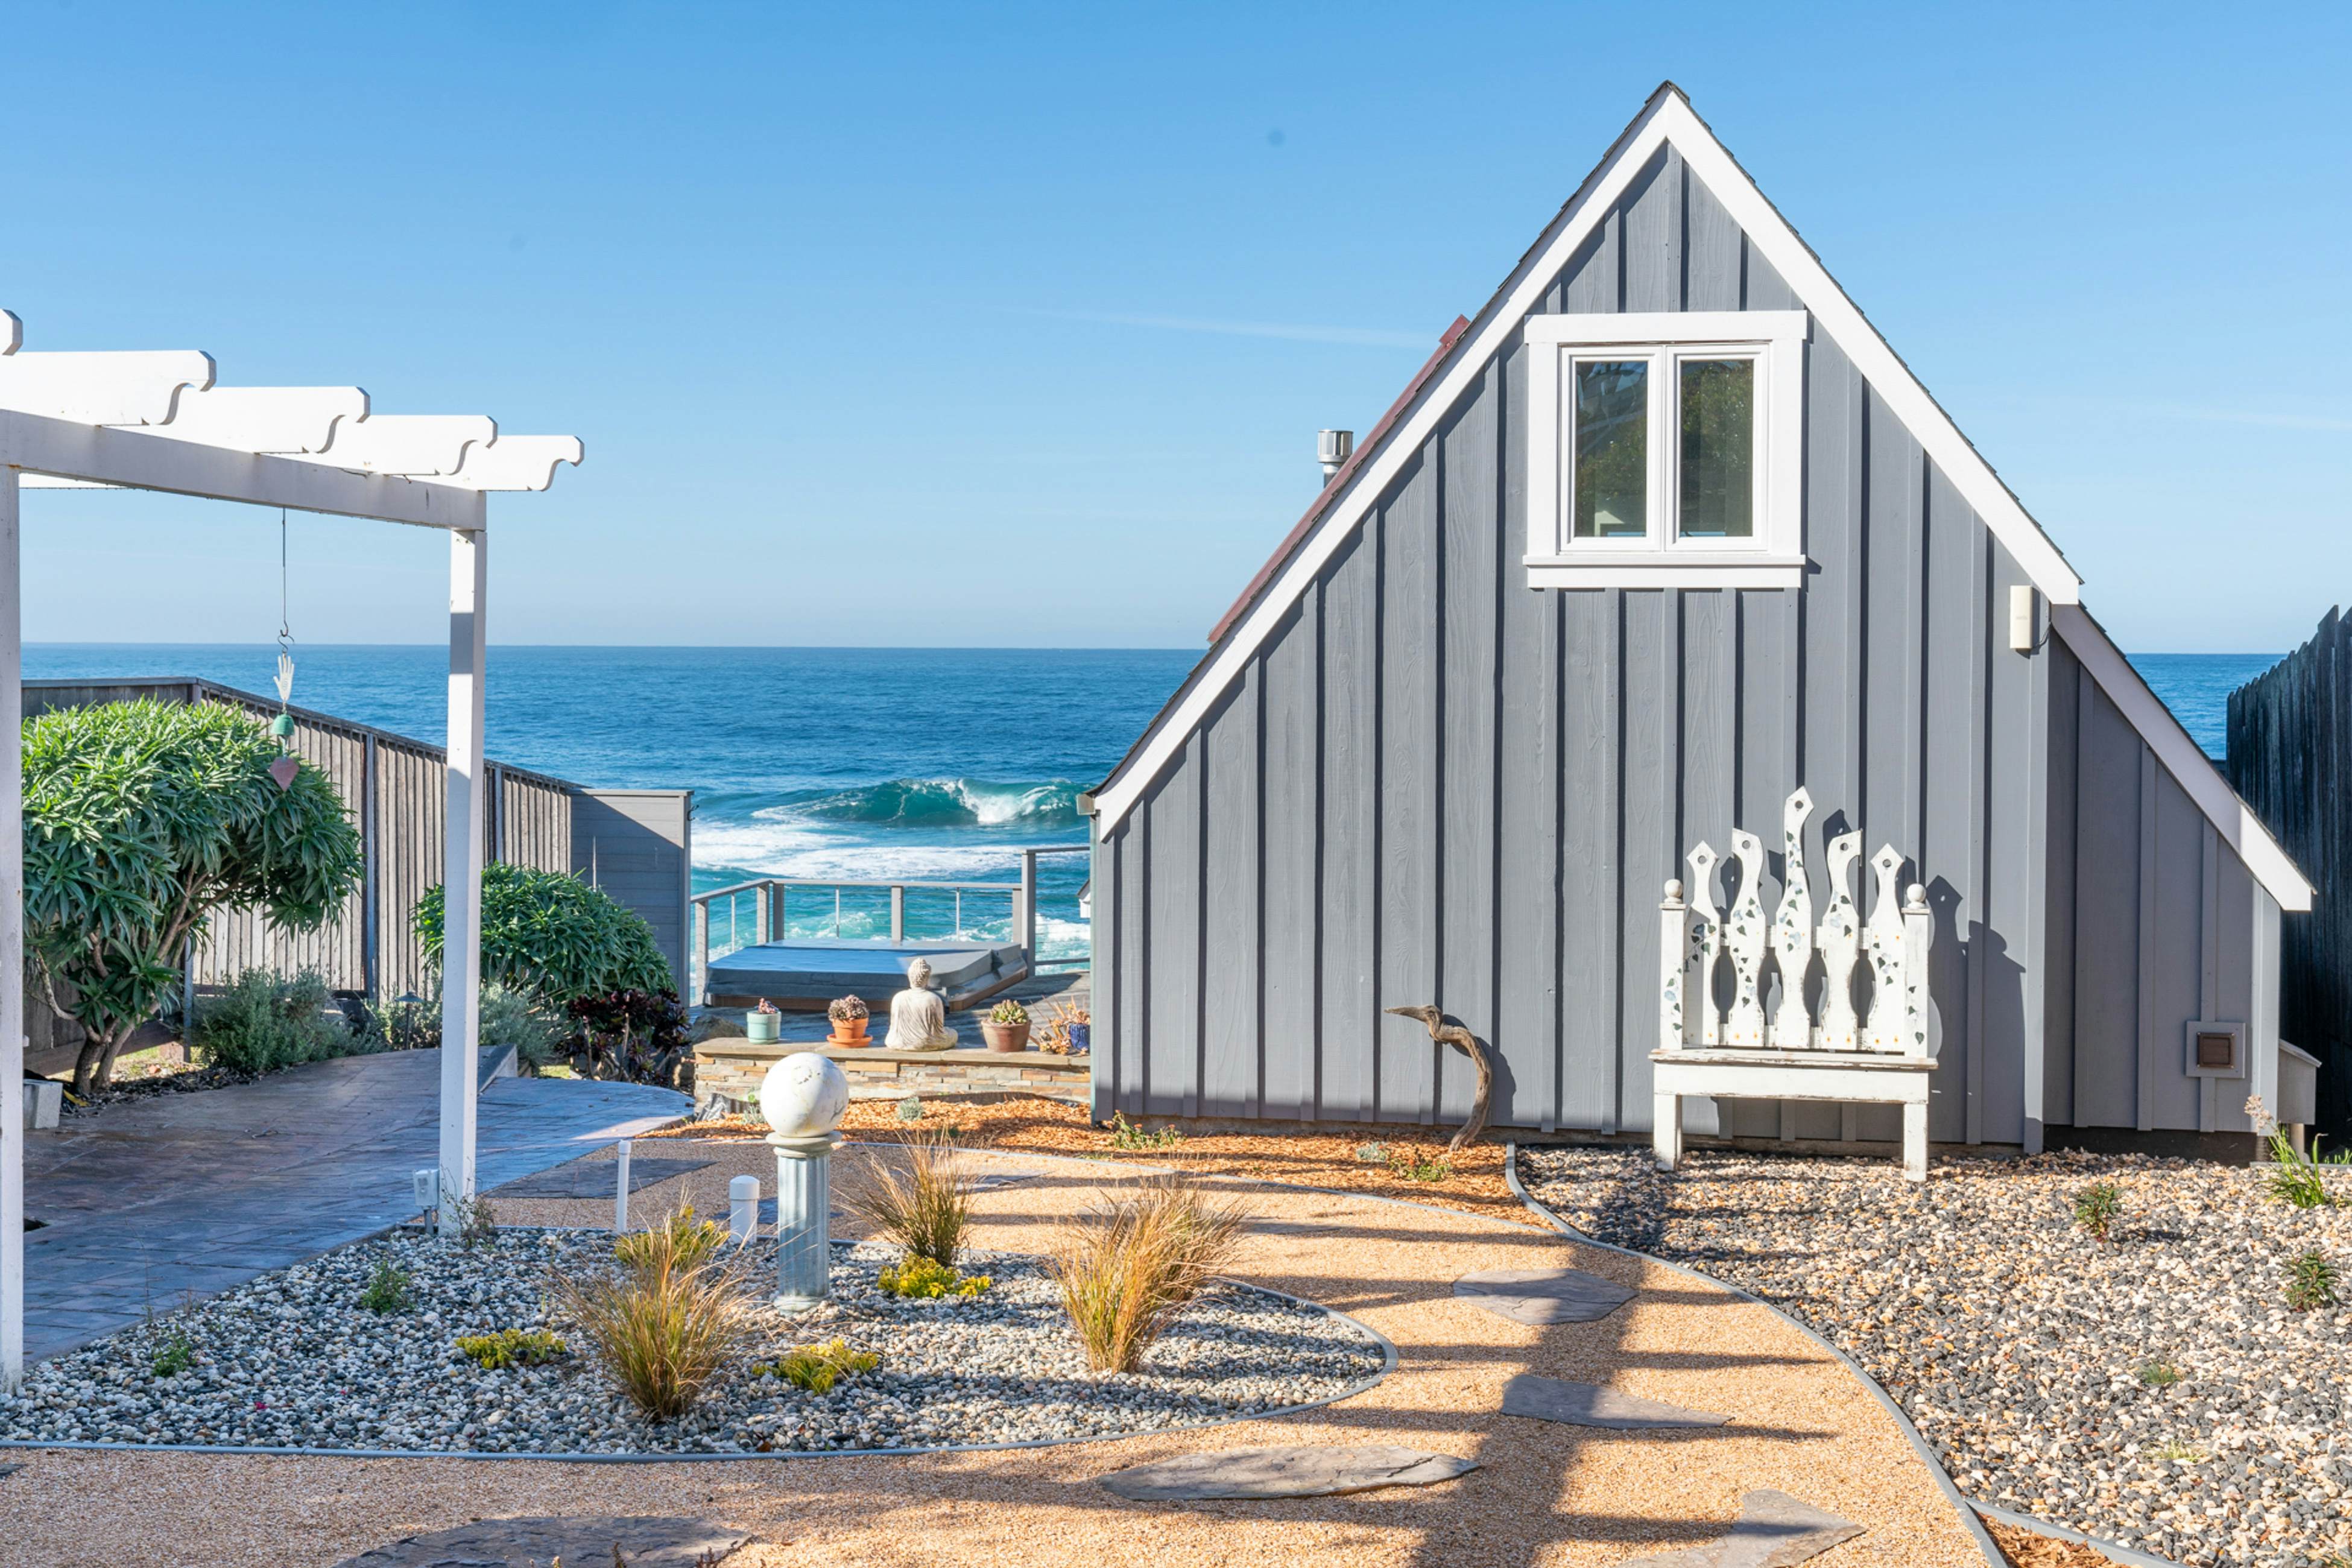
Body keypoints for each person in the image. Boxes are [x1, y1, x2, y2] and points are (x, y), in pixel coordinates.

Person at [884, 957, 958, 1051]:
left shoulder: (898, 997)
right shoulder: (933, 999)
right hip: (927, 1042)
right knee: (954, 1033)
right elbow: (938, 1030)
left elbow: (893, 1028)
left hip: (898, 1042)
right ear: (927, 978)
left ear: (910, 977)